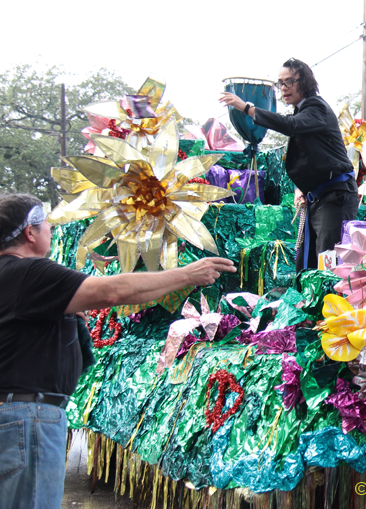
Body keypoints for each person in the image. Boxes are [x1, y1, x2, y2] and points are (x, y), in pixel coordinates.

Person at [0, 193, 235, 509]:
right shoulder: (29, 273)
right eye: (47, 227)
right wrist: (188, 275)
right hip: (28, 419)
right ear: (30, 232)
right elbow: (113, 292)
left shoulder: (11, 277)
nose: (51, 233)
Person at [219, 59, 358, 271]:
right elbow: (310, 157)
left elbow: (291, 125)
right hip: (319, 196)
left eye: (289, 82)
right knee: (307, 260)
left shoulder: (316, 107)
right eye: (280, 83)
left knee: (328, 259)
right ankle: (311, 302)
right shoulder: (304, 111)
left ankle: (330, 303)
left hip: (335, 195)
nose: (284, 88)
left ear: (306, 82)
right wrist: (300, 188)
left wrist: (247, 108)